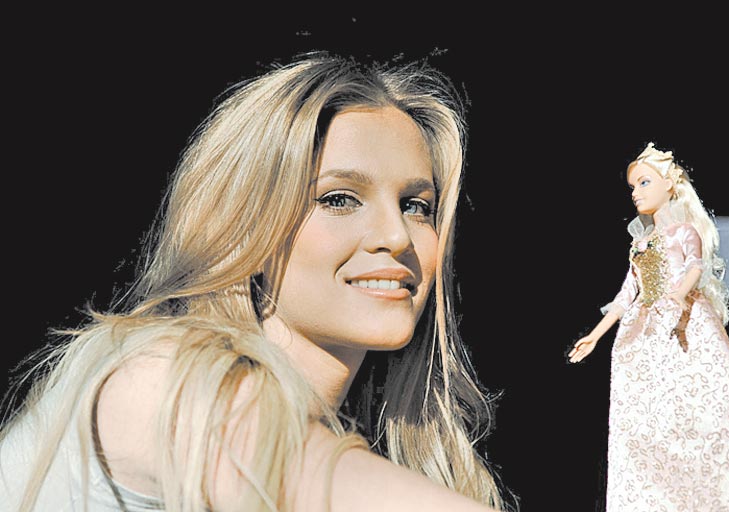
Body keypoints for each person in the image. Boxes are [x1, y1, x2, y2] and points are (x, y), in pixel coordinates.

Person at [0, 52, 514, 511]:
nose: (397, 236)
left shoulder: (388, 452)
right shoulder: (162, 376)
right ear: (242, 225)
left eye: (416, 206)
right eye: (338, 199)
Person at [568, 143, 729, 510]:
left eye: (644, 182)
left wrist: (677, 295)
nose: (636, 193)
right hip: (642, 335)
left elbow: (695, 265)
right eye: (633, 186)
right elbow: (626, 294)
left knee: (704, 409)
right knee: (649, 425)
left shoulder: (682, 233)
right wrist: (595, 335)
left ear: (669, 184)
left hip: (685, 324)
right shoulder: (640, 243)